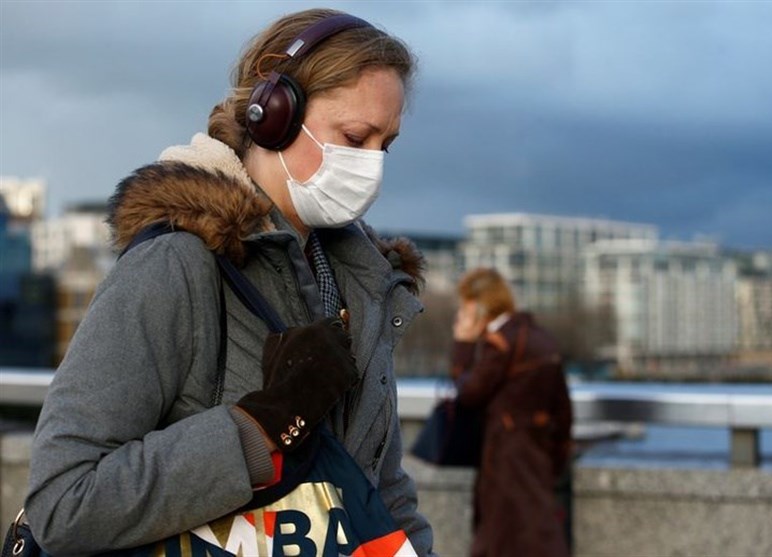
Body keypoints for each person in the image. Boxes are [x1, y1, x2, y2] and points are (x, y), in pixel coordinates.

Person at [25, 8, 435, 556]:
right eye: (354, 137)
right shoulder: (175, 264)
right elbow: (63, 501)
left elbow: (383, 494)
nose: (371, 168)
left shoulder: (363, 286)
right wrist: (258, 430)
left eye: (385, 145)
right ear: (276, 115)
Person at [451, 268, 572, 557]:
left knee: (499, 537)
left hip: (505, 458)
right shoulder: (541, 338)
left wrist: (463, 345)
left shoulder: (501, 343)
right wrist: (556, 459)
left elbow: (468, 394)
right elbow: (563, 410)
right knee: (535, 534)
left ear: (476, 304)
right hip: (537, 456)